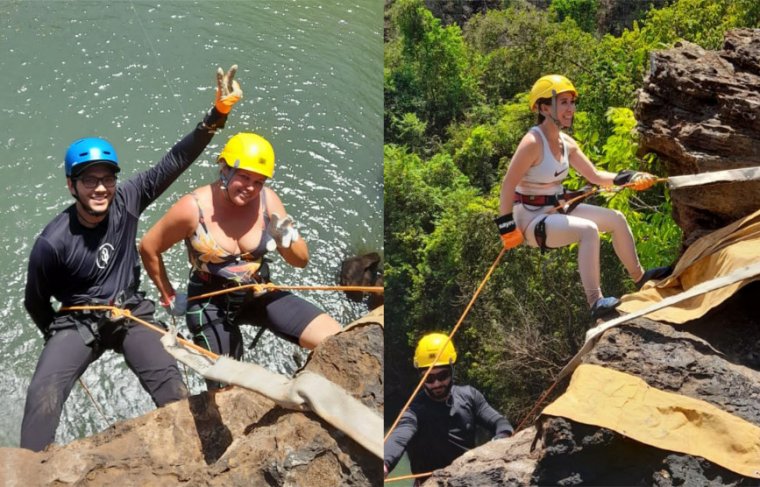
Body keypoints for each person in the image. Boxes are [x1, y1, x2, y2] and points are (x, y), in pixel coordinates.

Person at [21, 65, 243, 452]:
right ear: (71, 185)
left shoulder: (129, 198)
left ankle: (195, 458)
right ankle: (27, 468)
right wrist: (55, 338)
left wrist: (216, 116)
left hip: (130, 311)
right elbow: (35, 302)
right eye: (88, 179)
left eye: (107, 178)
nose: (101, 188)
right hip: (77, 321)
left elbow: (173, 162)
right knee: (43, 394)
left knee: (172, 389)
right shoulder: (52, 243)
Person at [138, 131, 342, 388]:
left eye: (258, 181)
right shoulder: (192, 209)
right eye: (244, 177)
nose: (250, 188)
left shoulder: (267, 202)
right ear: (223, 169)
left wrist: (285, 238)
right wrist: (168, 294)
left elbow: (301, 261)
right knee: (226, 386)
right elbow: (149, 247)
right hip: (209, 301)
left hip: (255, 290)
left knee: (337, 338)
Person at [495, 74, 672, 319]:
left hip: (557, 209)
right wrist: (507, 228)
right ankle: (595, 301)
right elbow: (508, 185)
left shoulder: (565, 142)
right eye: (564, 102)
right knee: (588, 230)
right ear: (545, 108)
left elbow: (596, 176)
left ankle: (640, 277)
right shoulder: (532, 142)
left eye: (572, 102)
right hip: (531, 221)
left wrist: (630, 177)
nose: (571, 108)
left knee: (616, 219)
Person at [384, 333, 513, 482]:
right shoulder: (414, 410)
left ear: (452, 371)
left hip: (468, 479)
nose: (437, 384)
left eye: (443, 375)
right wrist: (384, 464)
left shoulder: (469, 396)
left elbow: (499, 422)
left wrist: (501, 437)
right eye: (429, 379)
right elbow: (399, 438)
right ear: (421, 378)